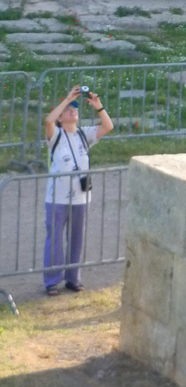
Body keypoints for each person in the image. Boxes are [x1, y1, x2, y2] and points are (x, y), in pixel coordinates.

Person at [43, 84, 113, 296]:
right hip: (57, 197)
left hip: (81, 197)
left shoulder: (84, 134)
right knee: (54, 237)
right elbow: (47, 120)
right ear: (61, 118)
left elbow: (108, 126)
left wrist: (98, 106)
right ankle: (52, 280)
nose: (73, 111)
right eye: (68, 111)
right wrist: (66, 100)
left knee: (76, 238)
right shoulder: (55, 135)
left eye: (75, 109)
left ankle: (73, 278)